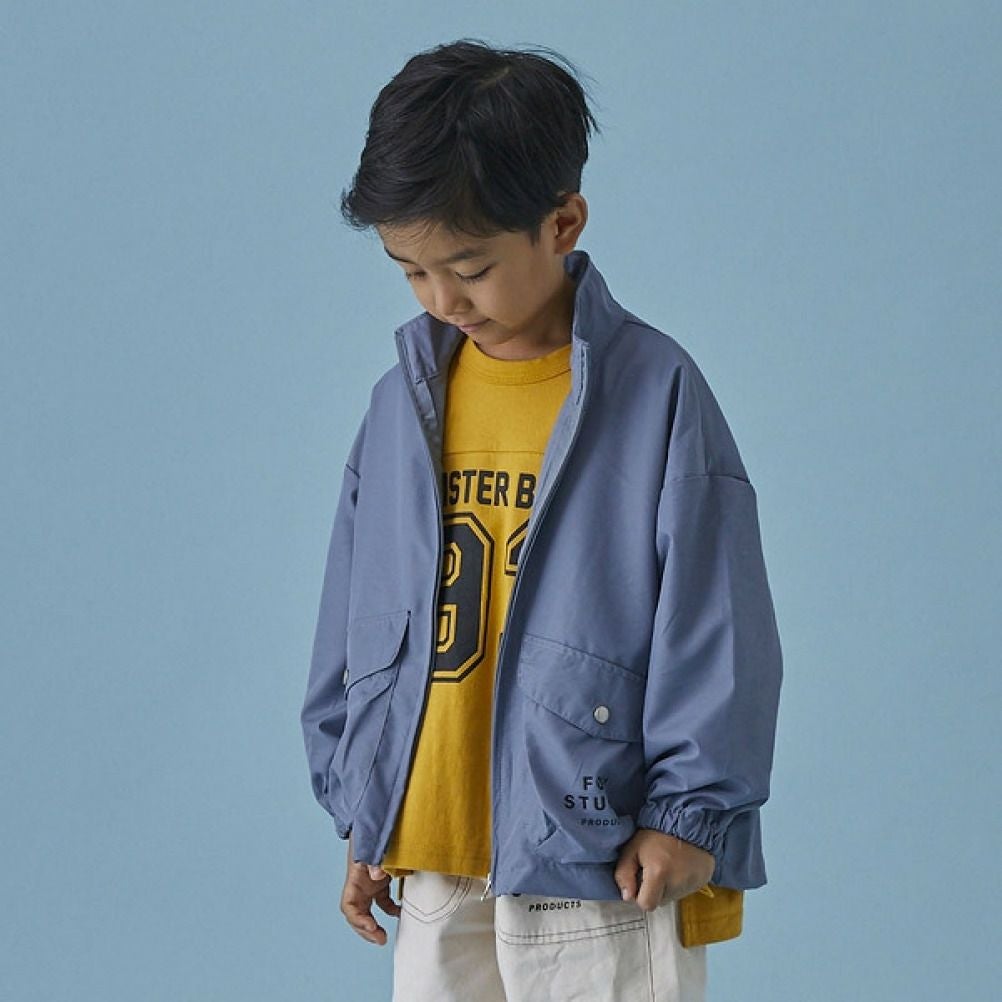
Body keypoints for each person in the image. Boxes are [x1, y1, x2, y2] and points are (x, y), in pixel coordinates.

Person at [300, 38, 782, 1002]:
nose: (443, 300)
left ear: (562, 223)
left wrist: (688, 815)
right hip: (434, 851)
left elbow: (716, 623)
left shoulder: (655, 395)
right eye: (411, 272)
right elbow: (353, 618)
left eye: (469, 268)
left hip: (600, 853)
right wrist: (367, 809)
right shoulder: (400, 407)